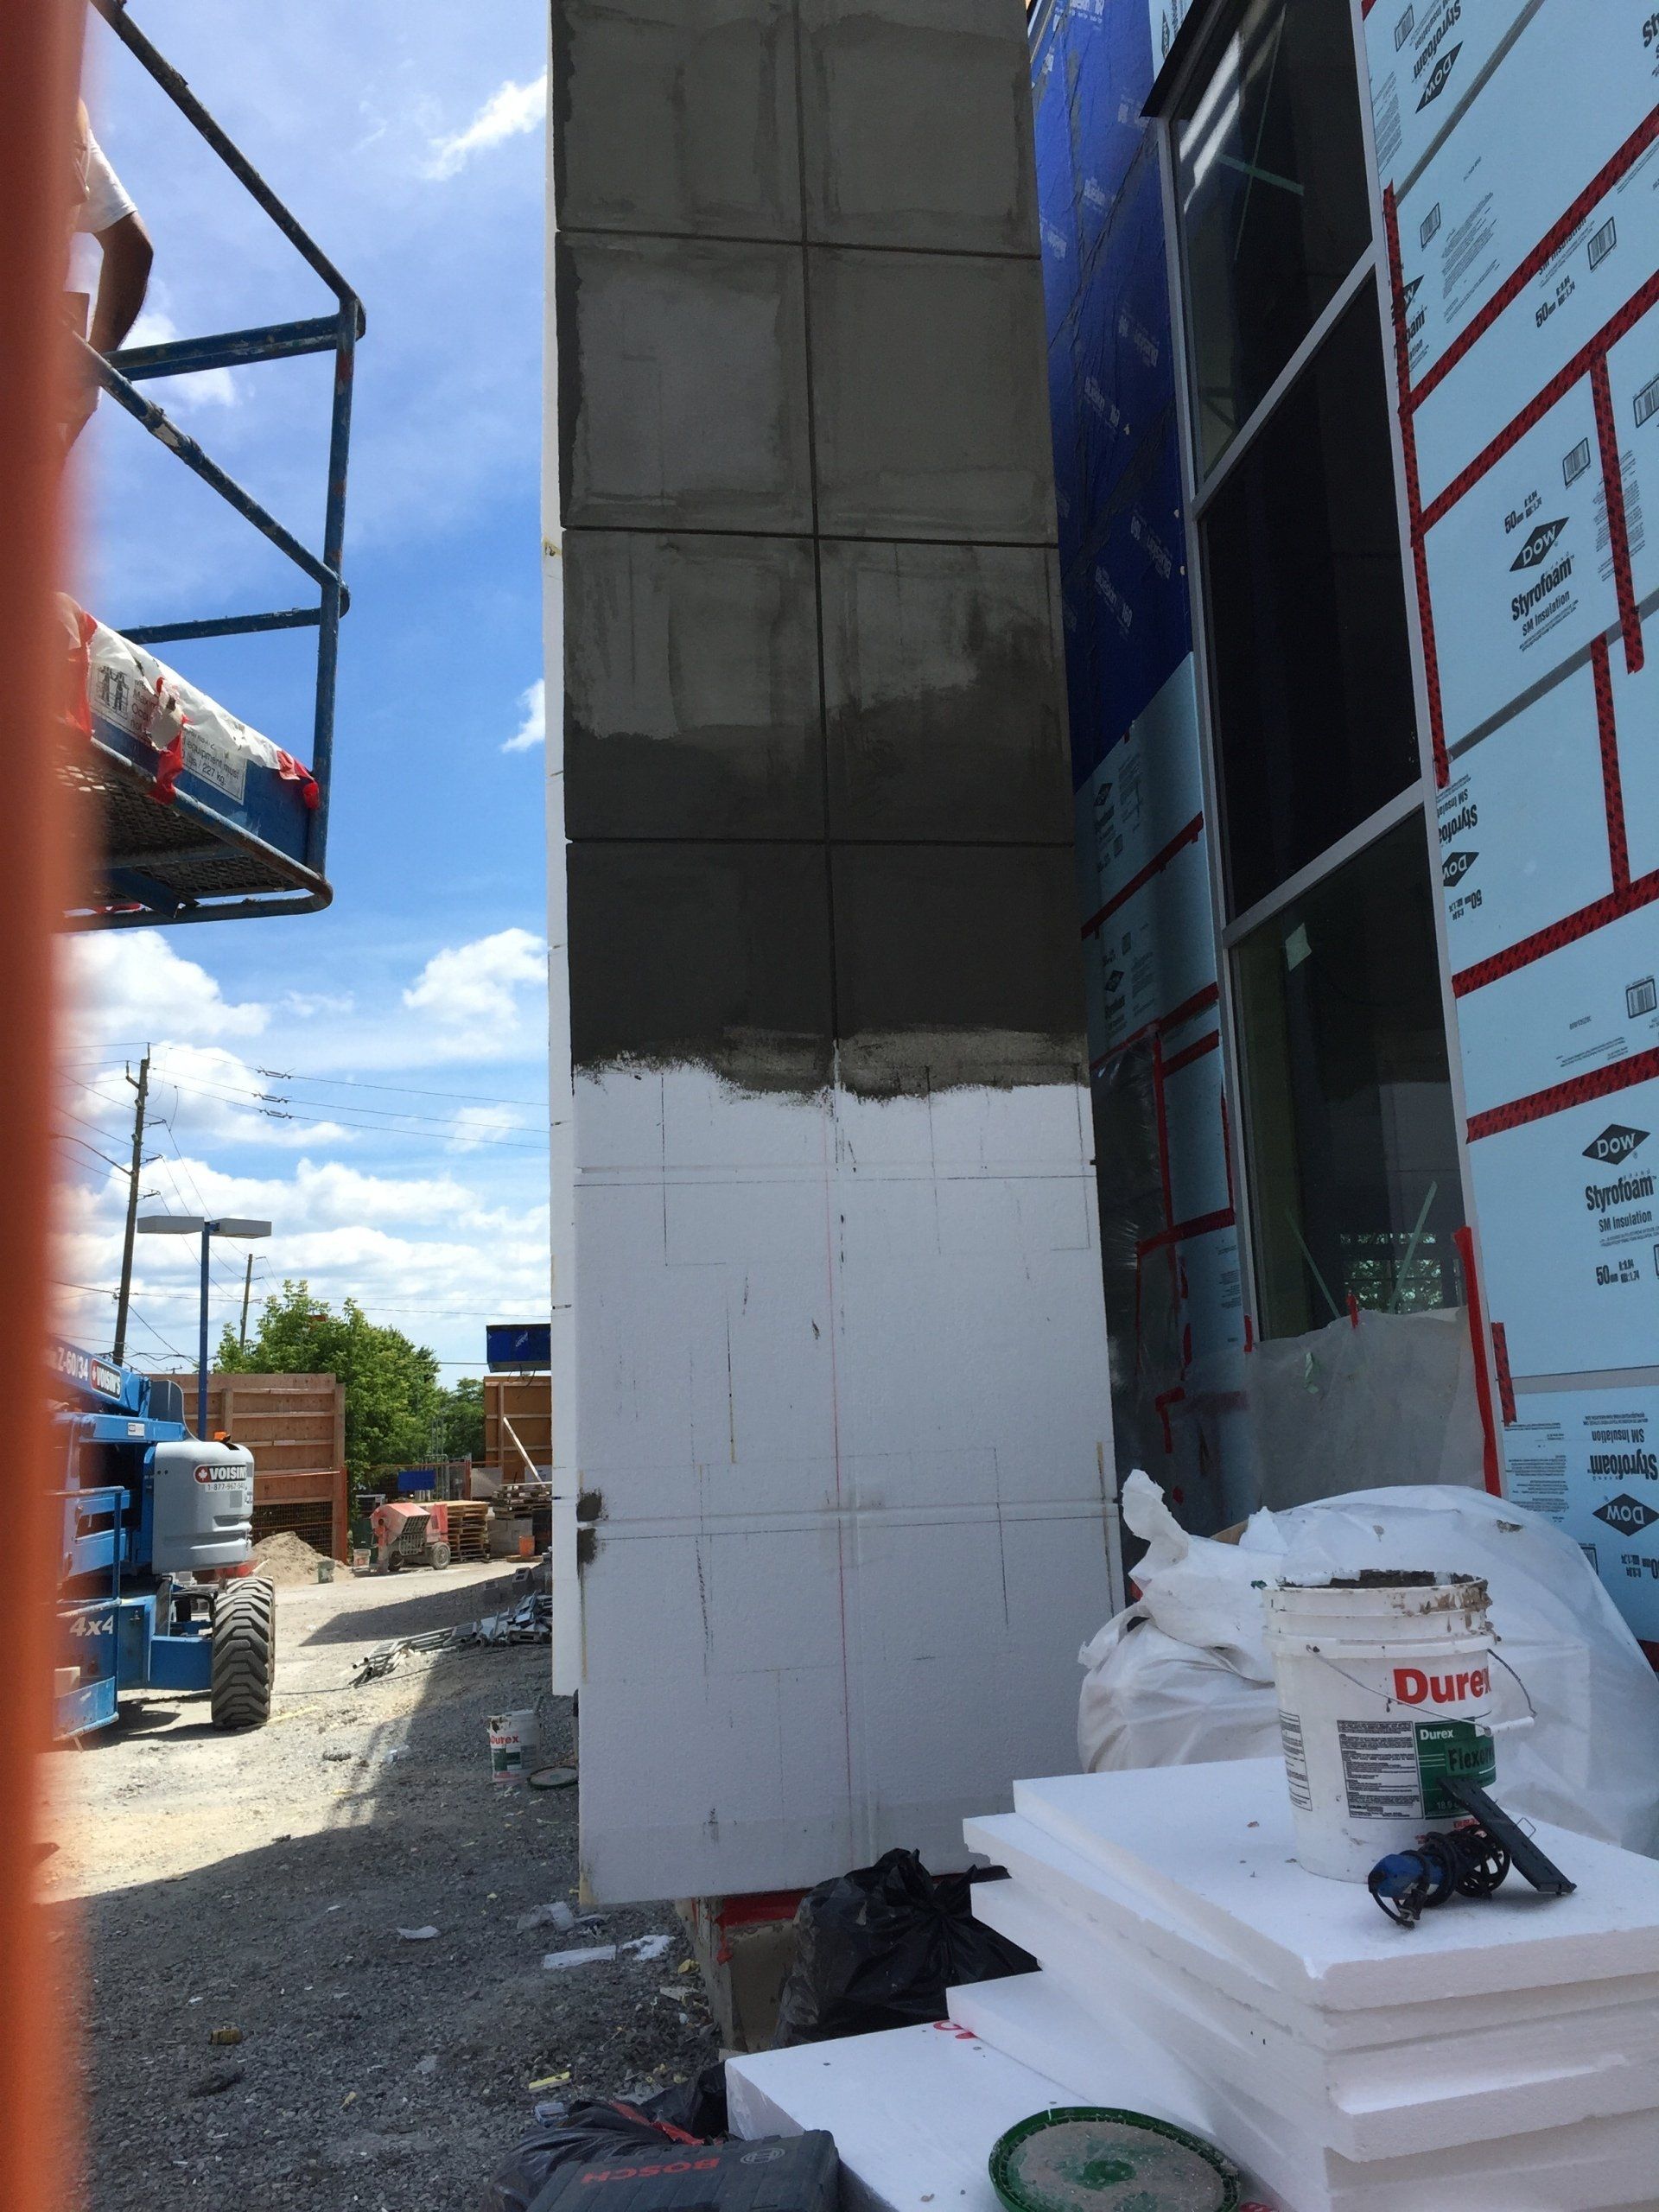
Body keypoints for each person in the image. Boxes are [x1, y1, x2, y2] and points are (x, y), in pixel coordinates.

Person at [65, 101, 152, 444]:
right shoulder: (62, 107)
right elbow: (132, 249)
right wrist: (86, 370)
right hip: (32, 345)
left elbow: (131, 249)